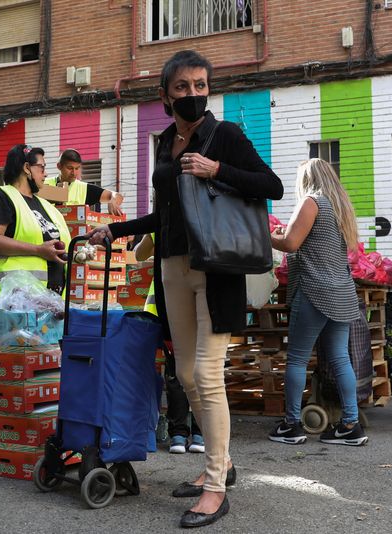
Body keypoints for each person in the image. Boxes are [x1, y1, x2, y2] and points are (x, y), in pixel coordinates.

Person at [87, 50, 283, 528]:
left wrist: (218, 171)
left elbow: (271, 185)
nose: (193, 94)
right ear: (165, 95)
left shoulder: (226, 135)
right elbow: (169, 214)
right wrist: (119, 230)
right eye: (183, 87)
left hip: (217, 270)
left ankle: (216, 487)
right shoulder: (164, 144)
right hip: (173, 265)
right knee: (186, 373)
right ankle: (224, 463)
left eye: (200, 85)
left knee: (208, 376)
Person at [267, 158, 367, 447]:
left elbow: (290, 243)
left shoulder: (311, 202)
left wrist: (269, 236)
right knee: (340, 358)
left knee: (297, 358)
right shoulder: (339, 208)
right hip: (342, 292)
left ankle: (291, 424)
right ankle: (350, 424)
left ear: (307, 179)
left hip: (313, 290)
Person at [134, 233, 204, 455]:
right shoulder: (204, 215)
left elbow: (139, 254)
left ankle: (179, 433)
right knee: (203, 371)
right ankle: (200, 433)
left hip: (171, 308)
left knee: (177, 373)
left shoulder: (162, 223)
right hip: (198, 304)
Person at [0, 144, 71, 307]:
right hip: (14, 302)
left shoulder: (47, 206)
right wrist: (38, 249)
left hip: (51, 303)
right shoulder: (2, 197)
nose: (46, 174)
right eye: (42, 168)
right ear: (27, 168)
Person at [43, 149, 124, 215]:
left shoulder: (84, 188)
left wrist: (112, 199)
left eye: (77, 168)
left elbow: (118, 196)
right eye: (70, 168)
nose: (74, 173)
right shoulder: (44, 184)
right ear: (59, 166)